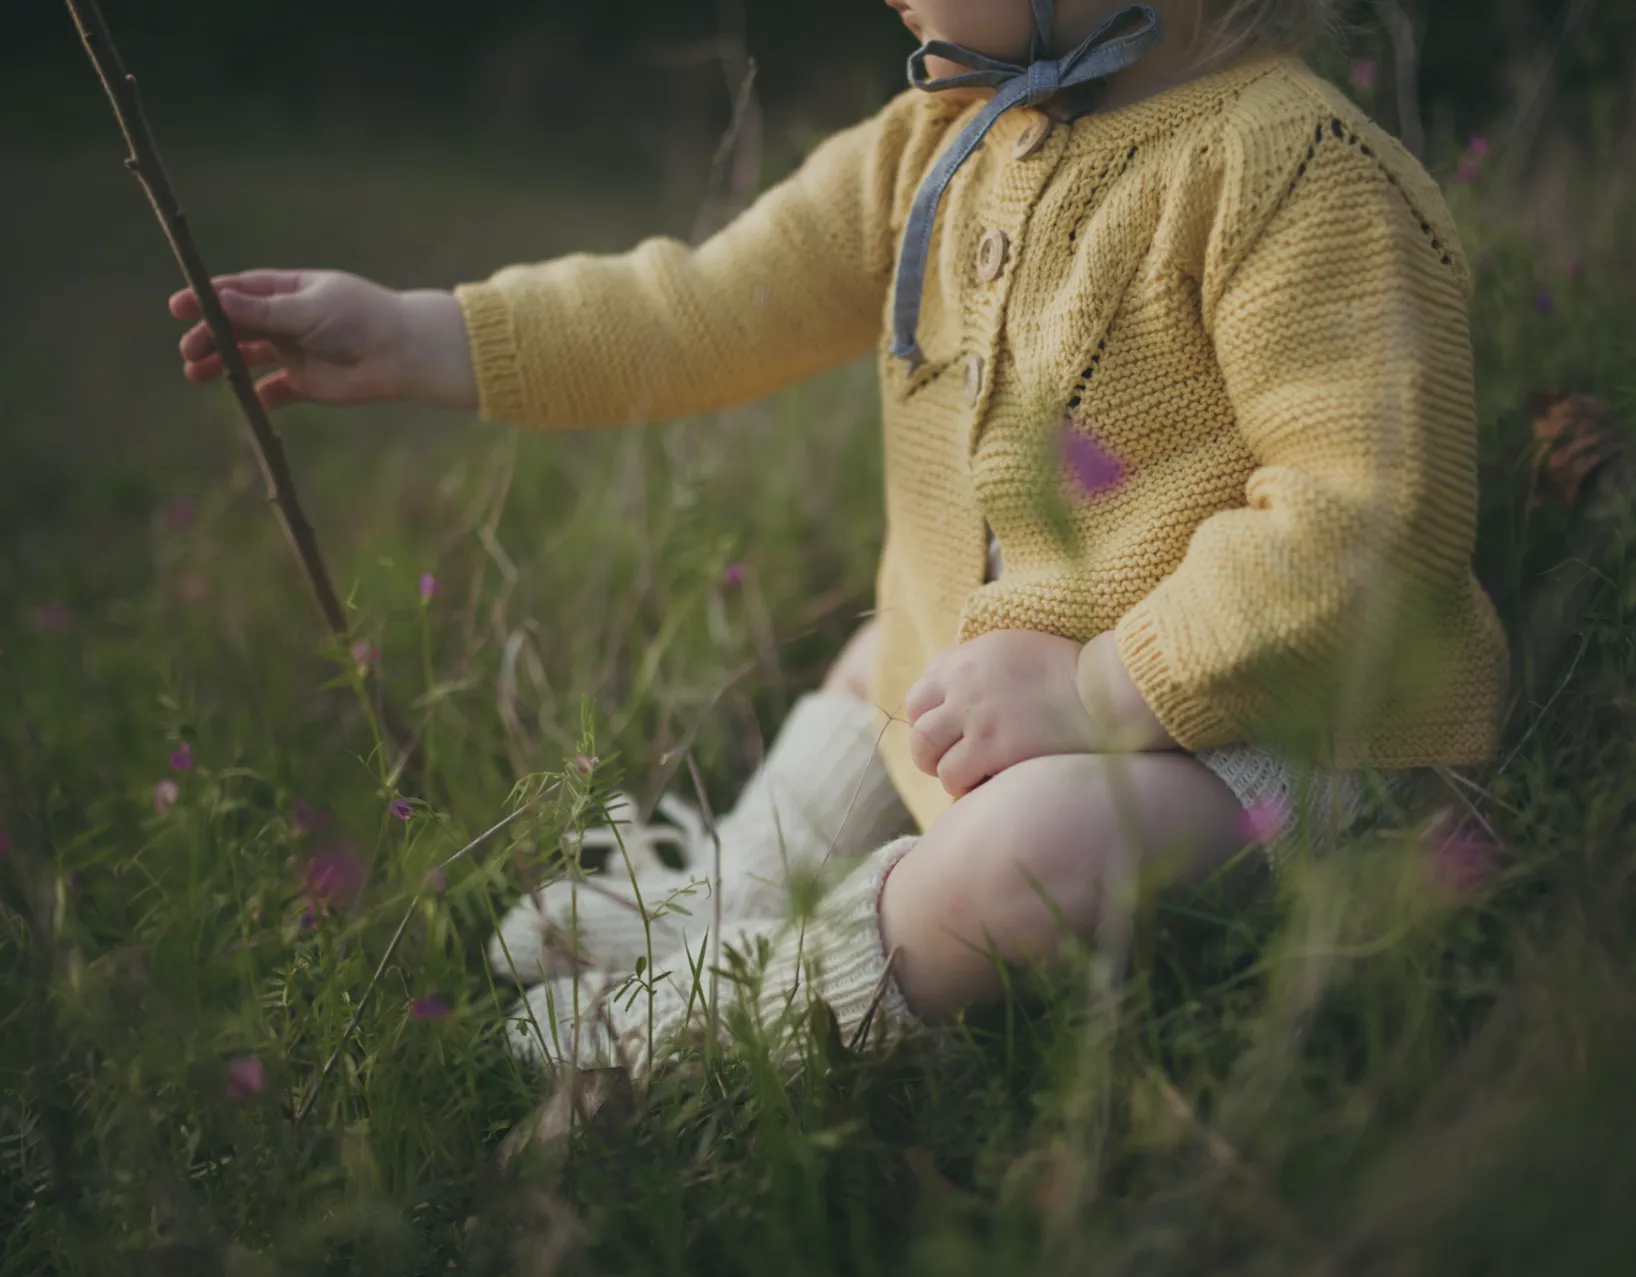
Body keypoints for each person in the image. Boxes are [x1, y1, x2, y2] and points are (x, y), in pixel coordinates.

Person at [168, 0, 1507, 1077]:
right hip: (1027, 690)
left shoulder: (1297, 174)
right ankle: (746, 887)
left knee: (1039, 850)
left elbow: (1369, 524)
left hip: (1269, 744)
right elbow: (695, 310)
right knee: (893, 641)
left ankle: (747, 1004)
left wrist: (1103, 690)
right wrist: (420, 335)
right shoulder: (935, 146)